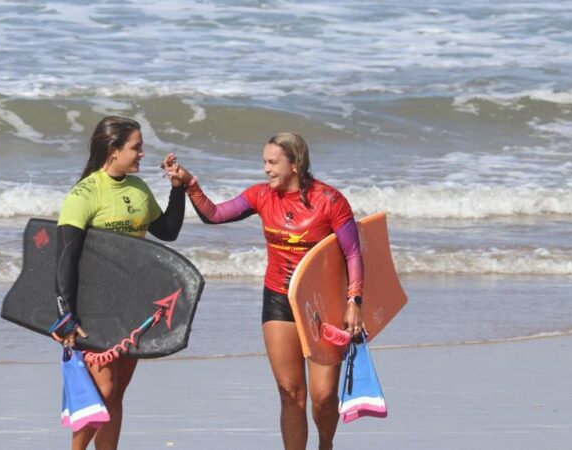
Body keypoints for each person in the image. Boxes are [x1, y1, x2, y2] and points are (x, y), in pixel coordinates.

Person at [167, 132, 364, 450]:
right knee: (290, 392)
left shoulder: (330, 201)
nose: (266, 169)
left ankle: (325, 444)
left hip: (322, 304)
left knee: (324, 396)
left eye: (273, 162)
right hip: (278, 299)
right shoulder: (260, 196)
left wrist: (354, 300)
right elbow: (215, 214)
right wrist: (190, 183)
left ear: (295, 164)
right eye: (264, 162)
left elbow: (353, 252)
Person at [50, 116, 185, 450]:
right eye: (136, 147)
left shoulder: (138, 189)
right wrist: (66, 313)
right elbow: (65, 256)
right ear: (113, 150)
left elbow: (167, 231)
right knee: (103, 390)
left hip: (132, 303)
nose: (141, 154)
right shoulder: (85, 193)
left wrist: (178, 188)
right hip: (93, 306)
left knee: (117, 393)